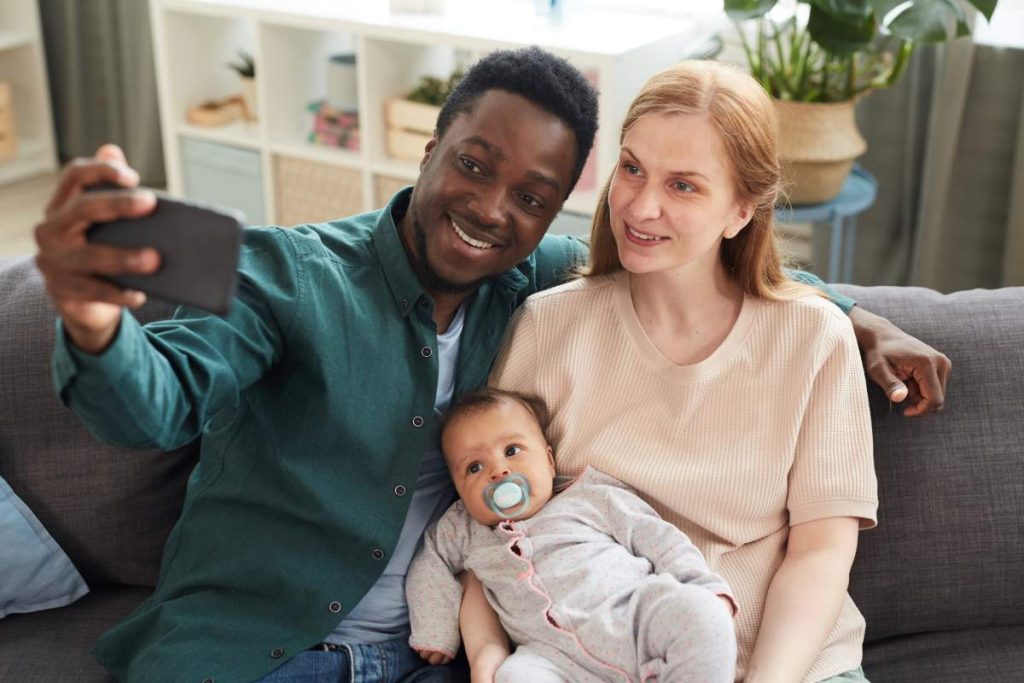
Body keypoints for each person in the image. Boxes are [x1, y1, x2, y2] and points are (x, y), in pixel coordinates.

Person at [32, 44, 948, 682]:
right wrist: (93, 319)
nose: (488, 210)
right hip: (262, 650)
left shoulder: (534, 282)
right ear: (430, 148)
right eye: (472, 164)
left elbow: (711, 266)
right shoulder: (291, 276)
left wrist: (859, 316)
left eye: (532, 196)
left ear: (553, 214)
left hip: (434, 656)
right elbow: (154, 404)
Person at [485, 58, 891, 683]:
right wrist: (490, 659)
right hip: (598, 663)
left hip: (783, 665)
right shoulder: (547, 326)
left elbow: (821, 553)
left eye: (684, 185)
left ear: (741, 211)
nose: (641, 207)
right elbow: (490, 522)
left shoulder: (814, 339)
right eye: (632, 169)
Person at [406, 388, 738, 682]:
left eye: (512, 450)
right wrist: (435, 631)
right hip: (552, 659)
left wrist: (702, 585)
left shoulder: (591, 497)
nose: (498, 471)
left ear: (549, 461)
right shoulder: (464, 528)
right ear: (460, 491)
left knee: (700, 614)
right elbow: (430, 561)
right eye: (473, 468)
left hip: (632, 620)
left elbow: (659, 538)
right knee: (513, 675)